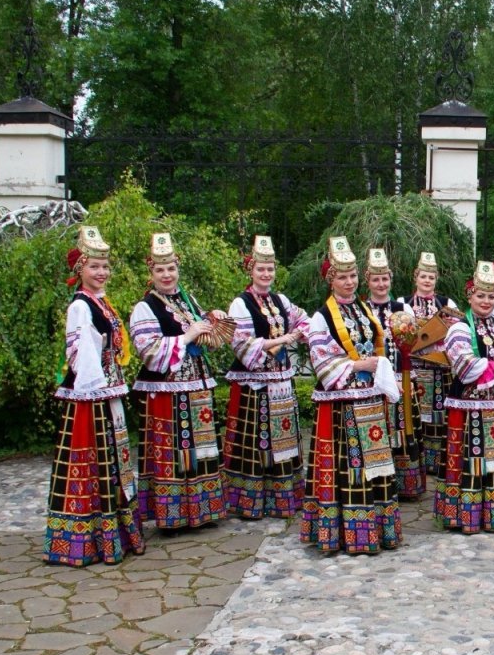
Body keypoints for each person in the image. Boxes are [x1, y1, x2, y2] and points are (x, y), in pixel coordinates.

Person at [45, 226, 147, 566]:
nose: (101, 272)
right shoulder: (80, 306)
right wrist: (96, 390)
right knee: (96, 463)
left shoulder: (100, 302)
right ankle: (91, 540)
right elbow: (83, 352)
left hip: (108, 391)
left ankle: (117, 534)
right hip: (92, 397)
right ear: (80, 270)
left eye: (104, 266)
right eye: (94, 267)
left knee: (114, 462)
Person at [301, 237, 402, 554]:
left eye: (353, 275)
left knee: (375, 466)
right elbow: (321, 360)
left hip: (370, 399)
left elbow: (377, 347)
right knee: (351, 466)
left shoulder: (362, 309)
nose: (349, 282)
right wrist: (358, 365)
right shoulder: (322, 316)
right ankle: (346, 534)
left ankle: (378, 530)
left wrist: (381, 372)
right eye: (342, 277)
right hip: (342, 405)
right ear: (331, 280)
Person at [131, 232, 228, 530]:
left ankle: (203, 510)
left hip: (197, 388)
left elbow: (204, 331)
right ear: (151, 273)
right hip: (168, 392)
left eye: (171, 268)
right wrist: (187, 336)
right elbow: (148, 350)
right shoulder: (146, 306)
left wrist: (213, 320)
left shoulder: (187, 300)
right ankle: (173, 516)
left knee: (201, 448)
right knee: (175, 450)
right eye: (160, 270)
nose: (167, 275)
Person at [435, 260, 494, 534]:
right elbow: (464, 365)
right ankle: (468, 516)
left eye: (490, 296)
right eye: (480, 296)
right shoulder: (460, 328)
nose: (486, 301)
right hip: (470, 407)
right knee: (472, 458)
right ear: (470, 297)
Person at [221, 235, 309, 519]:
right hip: (255, 386)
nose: (266, 274)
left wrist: (299, 333)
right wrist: (282, 339)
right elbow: (241, 342)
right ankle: (252, 501)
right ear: (251, 270)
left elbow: (304, 320)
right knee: (258, 442)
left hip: (281, 381)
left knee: (283, 438)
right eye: (261, 269)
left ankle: (283, 498)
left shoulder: (281, 300)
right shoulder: (241, 303)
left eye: (270, 269)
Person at [365, 247, 427, 500]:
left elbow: (411, 346)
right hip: (374, 382)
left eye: (385, 279)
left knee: (404, 429)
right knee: (379, 430)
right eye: (376, 279)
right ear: (368, 281)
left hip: (403, 378)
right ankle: (380, 483)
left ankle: (406, 485)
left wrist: (406, 377)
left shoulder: (403, 308)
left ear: (391, 280)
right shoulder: (362, 309)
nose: (381, 284)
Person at [404, 252, 457, 477]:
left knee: (439, 416)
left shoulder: (446, 304)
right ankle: (417, 462)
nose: (427, 281)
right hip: (415, 369)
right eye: (423, 276)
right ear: (415, 277)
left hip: (439, 370)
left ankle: (437, 462)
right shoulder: (404, 303)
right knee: (416, 414)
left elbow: (457, 330)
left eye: (431, 277)